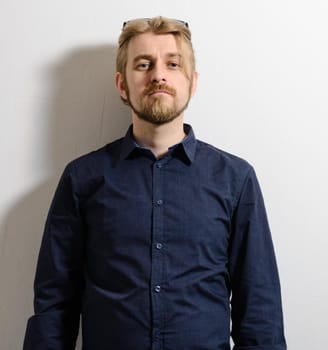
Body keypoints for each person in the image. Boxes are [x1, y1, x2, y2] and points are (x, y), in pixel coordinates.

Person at [23, 16, 286, 350]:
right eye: (143, 64)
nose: (158, 75)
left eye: (172, 64)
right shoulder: (82, 179)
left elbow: (260, 312)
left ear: (192, 82)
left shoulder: (235, 179)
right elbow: (54, 307)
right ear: (122, 85)